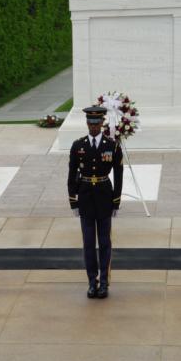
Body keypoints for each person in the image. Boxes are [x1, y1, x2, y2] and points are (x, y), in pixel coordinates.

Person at [67, 106, 123, 299]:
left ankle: (104, 283)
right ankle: (92, 282)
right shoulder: (78, 145)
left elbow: (119, 174)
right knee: (89, 243)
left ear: (102, 123)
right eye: (90, 124)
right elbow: (72, 174)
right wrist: (73, 200)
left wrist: (116, 201)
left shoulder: (112, 145)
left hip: (104, 196)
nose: (93, 127)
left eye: (97, 123)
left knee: (105, 242)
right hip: (85, 198)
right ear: (87, 124)